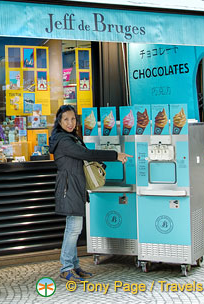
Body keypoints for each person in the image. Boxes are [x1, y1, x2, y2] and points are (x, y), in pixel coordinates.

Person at [48, 104, 131, 282]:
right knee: (73, 229)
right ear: (59, 121)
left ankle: (74, 265)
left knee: (75, 229)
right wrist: (115, 155)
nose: (70, 123)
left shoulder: (71, 137)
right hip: (69, 188)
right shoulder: (63, 141)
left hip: (75, 186)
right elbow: (87, 153)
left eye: (72, 119)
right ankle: (66, 267)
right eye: (66, 119)